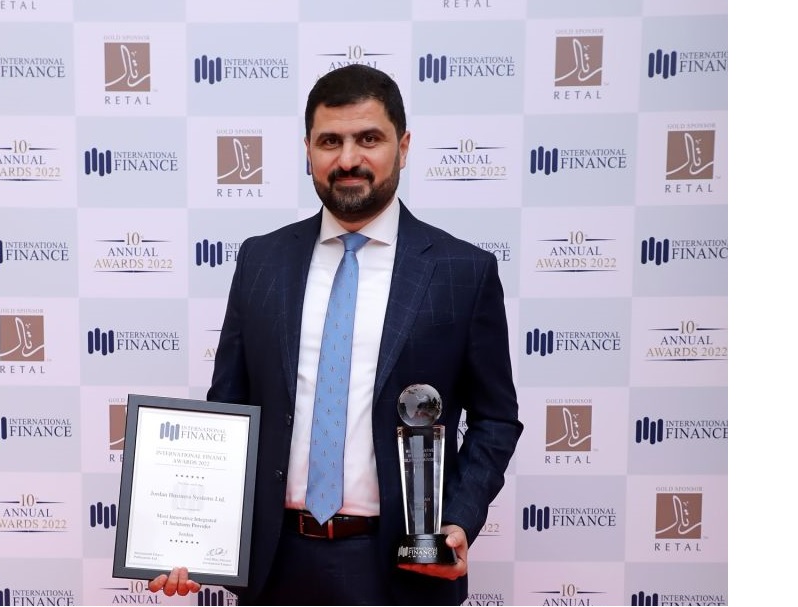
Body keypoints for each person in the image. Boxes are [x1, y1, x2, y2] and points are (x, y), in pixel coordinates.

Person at [149, 64, 523, 606]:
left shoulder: (462, 271)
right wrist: (192, 538)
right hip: (275, 565)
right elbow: (228, 410)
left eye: (368, 138)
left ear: (404, 145)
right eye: (330, 141)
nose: (348, 159)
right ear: (308, 150)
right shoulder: (261, 260)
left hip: (401, 568)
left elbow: (495, 419)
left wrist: (459, 520)